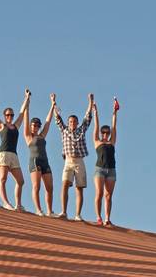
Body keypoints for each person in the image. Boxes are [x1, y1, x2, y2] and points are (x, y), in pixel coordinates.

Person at [54, 93, 95, 221]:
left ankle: (77, 215)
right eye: (70, 121)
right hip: (68, 161)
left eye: (74, 121)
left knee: (79, 188)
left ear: (77, 123)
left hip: (79, 161)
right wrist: (53, 102)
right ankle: (64, 212)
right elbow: (57, 118)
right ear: (68, 122)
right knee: (65, 184)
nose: (72, 123)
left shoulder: (81, 129)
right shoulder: (64, 130)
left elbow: (88, 117)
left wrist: (90, 101)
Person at [0, 90, 30, 211]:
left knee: (20, 181)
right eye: (8, 115)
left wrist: (26, 97)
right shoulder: (1, 125)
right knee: (2, 178)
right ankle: (5, 202)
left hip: (14, 155)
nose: (10, 117)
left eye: (11, 115)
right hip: (3, 154)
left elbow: (21, 112)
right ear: (5, 116)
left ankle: (18, 204)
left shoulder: (16, 126)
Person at [23, 93, 57, 217]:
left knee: (50, 187)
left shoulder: (42, 135)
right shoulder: (28, 136)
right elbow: (26, 119)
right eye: (34, 125)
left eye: (38, 125)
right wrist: (27, 101)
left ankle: (50, 211)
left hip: (45, 162)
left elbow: (48, 122)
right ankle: (38, 209)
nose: (36, 127)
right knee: (36, 186)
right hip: (35, 161)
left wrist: (52, 105)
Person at [93, 97, 120, 226]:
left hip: (111, 170)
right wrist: (95, 112)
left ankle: (107, 218)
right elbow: (96, 125)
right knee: (99, 193)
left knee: (108, 195)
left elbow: (114, 125)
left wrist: (115, 112)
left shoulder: (112, 142)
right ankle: (98, 217)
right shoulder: (97, 142)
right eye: (103, 132)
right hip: (100, 169)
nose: (105, 134)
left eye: (107, 132)